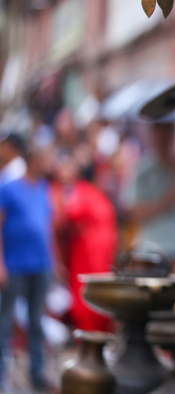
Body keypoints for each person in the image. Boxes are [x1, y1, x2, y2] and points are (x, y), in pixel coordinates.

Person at [0, 142, 58, 392]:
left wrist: (55, 261)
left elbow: (47, 228)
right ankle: (2, 374)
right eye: (45, 157)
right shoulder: (9, 188)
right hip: (14, 265)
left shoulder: (43, 188)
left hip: (40, 264)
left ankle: (37, 372)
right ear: (33, 159)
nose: (49, 162)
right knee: (5, 322)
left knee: (36, 320)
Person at [50, 154, 116, 332]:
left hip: (95, 256)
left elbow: (66, 217)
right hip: (90, 255)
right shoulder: (87, 192)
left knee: (92, 295)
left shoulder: (89, 193)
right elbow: (65, 218)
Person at [123, 120, 175, 273]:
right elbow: (133, 212)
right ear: (153, 134)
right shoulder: (143, 170)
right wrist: (165, 202)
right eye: (161, 131)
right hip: (151, 253)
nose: (166, 136)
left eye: (169, 130)